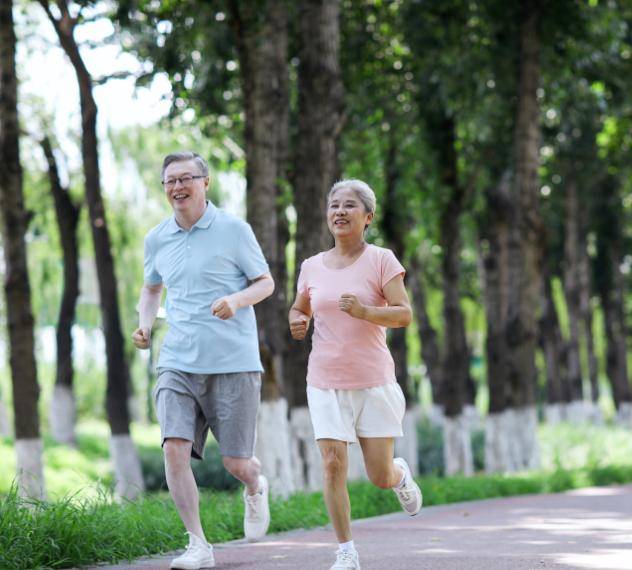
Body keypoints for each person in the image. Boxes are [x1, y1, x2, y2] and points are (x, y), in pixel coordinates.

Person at [133, 151, 274, 570]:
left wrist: (235, 299)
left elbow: (265, 282)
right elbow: (151, 288)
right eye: (169, 181)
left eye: (185, 178)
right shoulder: (157, 237)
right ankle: (198, 544)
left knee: (235, 462)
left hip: (233, 361)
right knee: (174, 449)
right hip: (177, 360)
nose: (177, 187)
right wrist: (144, 325)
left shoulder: (233, 229)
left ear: (204, 182)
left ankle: (254, 482)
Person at [288, 179, 422, 570]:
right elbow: (301, 308)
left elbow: (404, 314)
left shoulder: (382, 259)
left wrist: (365, 312)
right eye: (334, 205)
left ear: (368, 217)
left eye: (349, 206)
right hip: (325, 381)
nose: (340, 212)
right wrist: (297, 321)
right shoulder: (311, 265)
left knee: (378, 474)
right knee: (332, 463)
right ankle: (346, 550)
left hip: (372, 380)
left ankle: (399, 476)